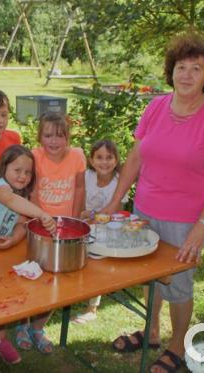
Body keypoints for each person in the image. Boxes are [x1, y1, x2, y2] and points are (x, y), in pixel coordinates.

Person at [100, 32, 204, 373]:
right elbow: (134, 159)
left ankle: (178, 344)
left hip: (185, 220)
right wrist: (115, 201)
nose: (186, 74)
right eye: (181, 66)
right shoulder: (156, 106)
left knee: (177, 284)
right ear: (171, 71)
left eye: (196, 68)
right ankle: (152, 332)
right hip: (145, 211)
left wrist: (202, 228)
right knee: (151, 276)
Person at [0, 144, 55, 368]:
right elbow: (10, 202)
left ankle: (0, 340)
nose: (23, 176)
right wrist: (42, 213)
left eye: (27, 172)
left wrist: (14, 240)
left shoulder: (20, 194)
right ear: (4, 168)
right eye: (17, 170)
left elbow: (20, 224)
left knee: (1, 296)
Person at [16, 111, 86, 354]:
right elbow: (32, 192)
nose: (54, 141)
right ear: (39, 137)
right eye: (47, 135)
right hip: (39, 227)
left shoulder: (77, 156)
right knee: (31, 278)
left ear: (68, 136)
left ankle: (38, 328)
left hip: (66, 229)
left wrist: (74, 221)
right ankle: (22, 325)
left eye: (60, 135)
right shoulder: (34, 157)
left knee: (56, 282)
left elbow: (79, 188)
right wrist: (37, 222)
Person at [72, 139, 128, 324]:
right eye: (100, 157)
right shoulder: (87, 176)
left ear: (116, 159)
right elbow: (79, 201)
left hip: (108, 230)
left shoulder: (120, 181)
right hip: (84, 226)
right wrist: (82, 216)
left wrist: (92, 217)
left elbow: (117, 210)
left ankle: (92, 307)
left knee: (98, 267)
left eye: (109, 157)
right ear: (91, 159)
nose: (104, 162)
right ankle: (74, 295)